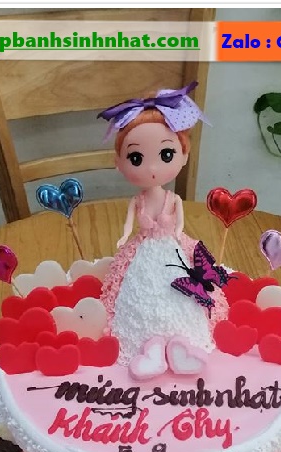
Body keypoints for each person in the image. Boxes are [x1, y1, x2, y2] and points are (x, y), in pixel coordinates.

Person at [97, 82, 228, 366]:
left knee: (188, 293)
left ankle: (185, 347)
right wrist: (124, 237)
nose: (153, 168)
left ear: (184, 154)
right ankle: (143, 349)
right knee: (132, 294)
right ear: (119, 162)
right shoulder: (138, 200)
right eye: (136, 158)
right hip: (143, 252)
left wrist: (178, 235)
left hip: (172, 248)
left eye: (166, 155)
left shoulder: (173, 198)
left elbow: (179, 222)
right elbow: (129, 224)